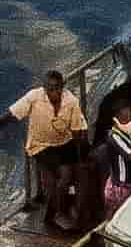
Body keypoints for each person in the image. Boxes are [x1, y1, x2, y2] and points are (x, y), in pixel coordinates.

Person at [12, 67, 91, 228]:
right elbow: (15, 111)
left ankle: (65, 207)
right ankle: (58, 212)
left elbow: (77, 130)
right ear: (44, 88)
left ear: (63, 86)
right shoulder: (34, 97)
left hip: (64, 142)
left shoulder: (71, 101)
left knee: (74, 173)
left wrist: (79, 155)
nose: (53, 92)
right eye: (49, 89)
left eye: (56, 88)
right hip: (41, 145)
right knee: (60, 175)